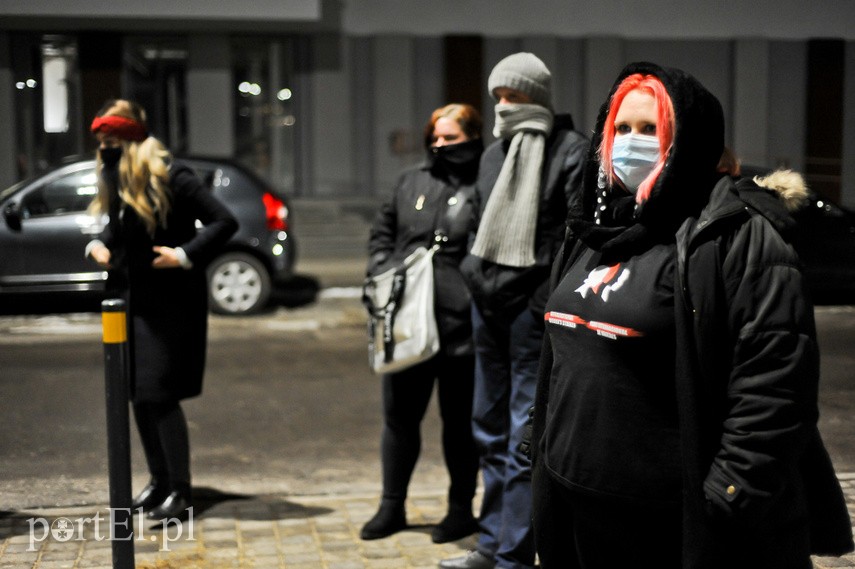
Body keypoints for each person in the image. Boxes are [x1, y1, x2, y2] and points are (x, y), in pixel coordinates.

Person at [529, 61, 854, 568]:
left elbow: (775, 387)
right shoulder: (592, 229)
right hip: (580, 509)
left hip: (676, 523)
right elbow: (562, 353)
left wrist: (728, 495)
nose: (630, 142)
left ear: (689, 139)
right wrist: (540, 441)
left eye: (650, 129)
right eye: (620, 128)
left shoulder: (736, 238)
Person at [444, 53, 589, 569]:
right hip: (488, 306)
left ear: (537, 96)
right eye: (498, 96)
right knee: (486, 426)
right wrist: (474, 280)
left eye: (514, 95)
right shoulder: (492, 154)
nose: (503, 106)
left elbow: (571, 240)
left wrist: (538, 304)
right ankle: (489, 542)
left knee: (523, 436)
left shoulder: (570, 151)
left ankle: (512, 553)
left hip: (532, 313)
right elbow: (479, 225)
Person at [87, 99, 238, 520]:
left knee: (160, 395)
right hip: (132, 301)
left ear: (132, 137)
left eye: (111, 139)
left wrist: (184, 255)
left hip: (170, 305)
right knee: (137, 394)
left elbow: (224, 222)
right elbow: (120, 228)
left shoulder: (174, 175)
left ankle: (181, 491)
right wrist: (100, 242)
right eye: (100, 140)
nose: (104, 147)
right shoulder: (119, 176)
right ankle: (159, 481)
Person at [362, 103, 484, 543]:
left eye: (450, 138)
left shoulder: (486, 184)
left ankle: (459, 510)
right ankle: (391, 507)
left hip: (459, 330)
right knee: (399, 419)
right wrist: (382, 271)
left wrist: (471, 290)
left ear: (472, 137)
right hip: (406, 325)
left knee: (459, 424)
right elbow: (382, 234)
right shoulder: (411, 180)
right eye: (434, 137)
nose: (439, 146)